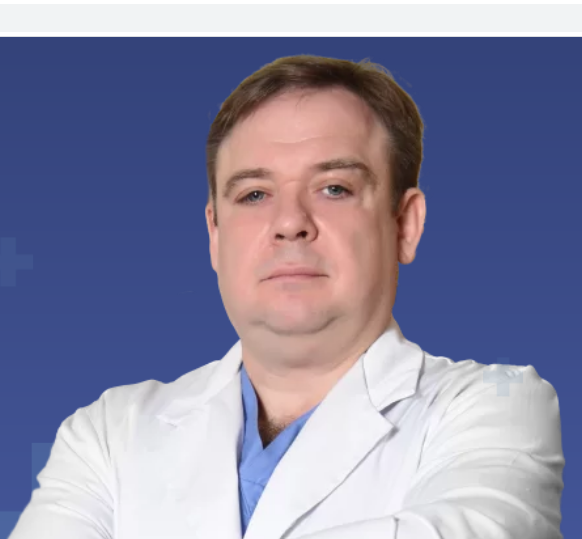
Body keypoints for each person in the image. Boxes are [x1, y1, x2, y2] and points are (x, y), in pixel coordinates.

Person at [9, 54, 564, 539]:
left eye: (334, 188)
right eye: (254, 194)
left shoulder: (498, 409)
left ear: (405, 224)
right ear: (215, 234)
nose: (290, 222)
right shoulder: (109, 433)